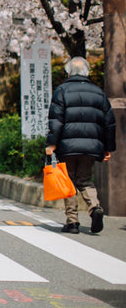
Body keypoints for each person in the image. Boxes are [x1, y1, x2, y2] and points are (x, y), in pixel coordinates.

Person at [46, 56, 116, 234]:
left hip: (67, 146)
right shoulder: (98, 92)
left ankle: (72, 222)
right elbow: (109, 122)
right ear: (87, 73)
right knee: (85, 180)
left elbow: (56, 120)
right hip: (91, 147)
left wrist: (51, 144)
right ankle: (95, 208)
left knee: (68, 181)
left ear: (68, 72)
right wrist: (108, 147)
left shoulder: (61, 90)